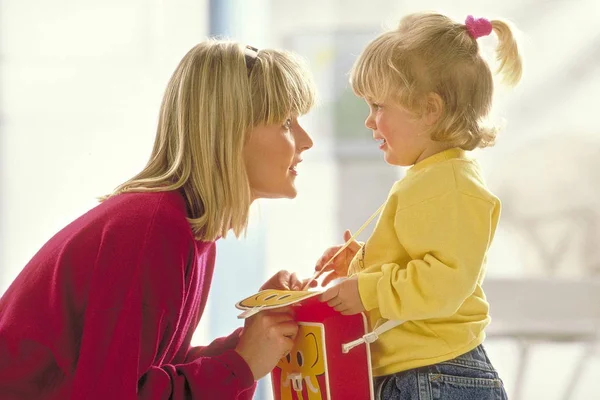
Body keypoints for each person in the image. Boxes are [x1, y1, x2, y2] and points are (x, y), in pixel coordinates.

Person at [0, 39, 316, 399]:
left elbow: (148, 374)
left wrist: (251, 341)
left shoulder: (185, 230)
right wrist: (240, 366)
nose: (306, 141)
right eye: (287, 122)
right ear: (228, 131)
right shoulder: (151, 229)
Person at [314, 12, 522, 399]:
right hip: (422, 372)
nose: (369, 122)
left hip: (438, 374)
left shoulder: (452, 185)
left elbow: (443, 282)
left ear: (430, 109)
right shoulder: (433, 179)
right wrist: (361, 263)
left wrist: (368, 290)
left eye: (378, 106)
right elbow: (421, 261)